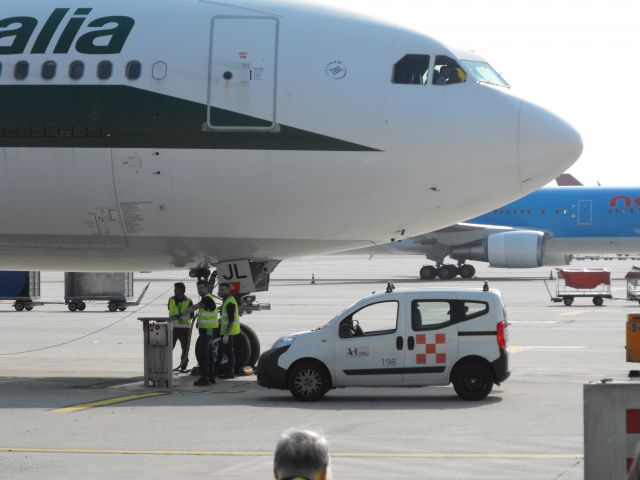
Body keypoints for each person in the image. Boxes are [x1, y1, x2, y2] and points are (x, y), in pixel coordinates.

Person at [172, 280, 219, 386]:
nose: (199, 291)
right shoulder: (207, 298)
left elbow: (194, 307)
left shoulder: (207, 298)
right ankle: (211, 376)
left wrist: (180, 314)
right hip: (208, 329)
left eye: (202, 288)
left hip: (207, 330)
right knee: (209, 354)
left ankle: (205, 377)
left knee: (204, 354)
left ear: (207, 288)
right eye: (198, 289)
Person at [215, 282, 240, 379]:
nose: (220, 292)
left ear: (228, 290)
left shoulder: (229, 301)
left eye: (222, 290)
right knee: (221, 351)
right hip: (225, 331)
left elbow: (231, 319)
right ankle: (216, 371)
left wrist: (227, 334)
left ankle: (230, 372)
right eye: (219, 290)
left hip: (228, 332)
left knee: (229, 353)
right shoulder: (226, 300)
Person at [167, 282, 194, 372]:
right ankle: (165, 365)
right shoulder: (170, 300)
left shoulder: (189, 301)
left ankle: (183, 367)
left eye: (176, 289)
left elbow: (191, 316)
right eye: (174, 289)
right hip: (173, 327)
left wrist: (180, 316)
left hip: (185, 328)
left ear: (182, 290)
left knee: (185, 348)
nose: (174, 291)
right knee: (169, 347)